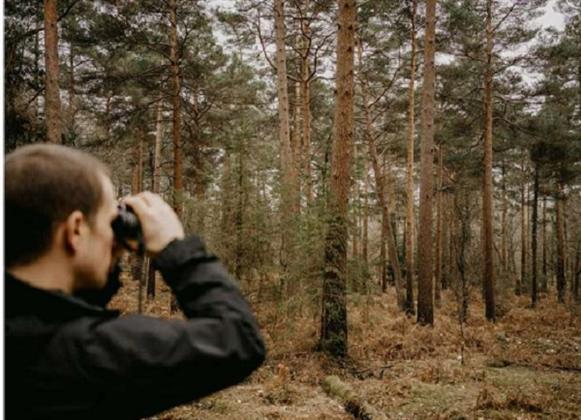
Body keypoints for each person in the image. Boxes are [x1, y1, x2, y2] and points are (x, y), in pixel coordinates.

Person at [5, 144, 266, 420]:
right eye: (110, 221)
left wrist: (107, 254)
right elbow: (239, 339)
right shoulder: (84, 355)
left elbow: (60, 310)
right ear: (76, 230)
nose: (114, 234)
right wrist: (174, 248)